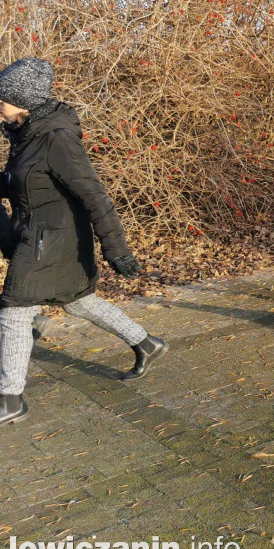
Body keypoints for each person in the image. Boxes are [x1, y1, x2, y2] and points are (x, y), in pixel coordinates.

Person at [0, 58, 167, 427]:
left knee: (14, 308)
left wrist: (117, 248)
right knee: (78, 302)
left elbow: (94, 194)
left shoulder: (55, 137)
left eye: (4, 98)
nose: (0, 104)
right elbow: (20, 182)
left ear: (24, 99)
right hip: (39, 232)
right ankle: (146, 343)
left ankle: (10, 398)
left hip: (56, 238)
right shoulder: (27, 132)